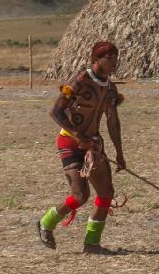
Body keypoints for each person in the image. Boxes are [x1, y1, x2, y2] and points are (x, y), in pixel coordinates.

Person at [36, 40, 127, 254]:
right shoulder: (81, 81)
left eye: (116, 57)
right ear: (97, 59)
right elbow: (56, 112)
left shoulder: (111, 89)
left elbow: (112, 121)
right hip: (69, 141)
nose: (115, 61)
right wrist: (78, 135)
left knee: (106, 193)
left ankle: (92, 244)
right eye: (109, 57)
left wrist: (120, 153)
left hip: (93, 145)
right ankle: (45, 223)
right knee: (80, 195)